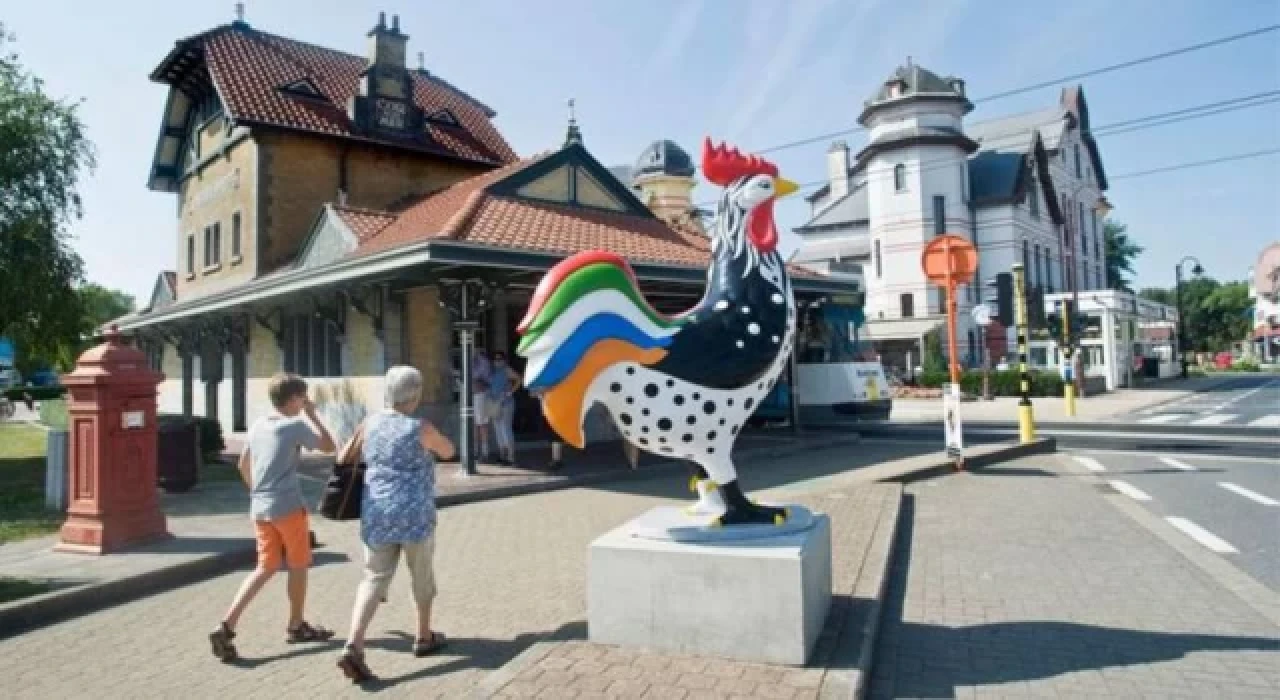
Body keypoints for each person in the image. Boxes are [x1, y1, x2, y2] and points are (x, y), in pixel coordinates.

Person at [337, 366, 456, 683]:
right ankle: (423, 635)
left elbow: (343, 457)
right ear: (415, 394)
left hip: (377, 512)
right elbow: (448, 451)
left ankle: (354, 643)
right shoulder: (420, 427)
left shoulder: (370, 423)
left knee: (373, 577)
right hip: (415, 515)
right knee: (421, 576)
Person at [208, 373, 337, 662]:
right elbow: (329, 446)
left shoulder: (258, 425)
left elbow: (243, 465)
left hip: (260, 507)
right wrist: (313, 415)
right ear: (293, 399)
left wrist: (259, 492)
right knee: (299, 564)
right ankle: (296, 625)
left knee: (265, 567)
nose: (305, 402)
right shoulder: (295, 425)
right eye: (302, 397)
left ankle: (227, 624)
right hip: (288, 506)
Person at [486, 351, 521, 466]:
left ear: (504, 360)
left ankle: (511, 457)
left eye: (499, 359)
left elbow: (519, 379)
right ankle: (502, 455)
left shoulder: (507, 370)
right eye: (495, 359)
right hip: (494, 404)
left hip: (506, 403)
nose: (497, 361)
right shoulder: (494, 371)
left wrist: (510, 392)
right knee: (498, 430)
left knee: (506, 429)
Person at [470, 348, 492, 462]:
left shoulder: (483, 362)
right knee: (473, 425)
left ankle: (484, 453)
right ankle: (474, 452)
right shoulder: (469, 361)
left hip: (481, 396)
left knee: (482, 425)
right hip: (471, 396)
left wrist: (477, 382)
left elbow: (486, 381)